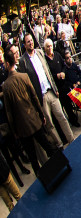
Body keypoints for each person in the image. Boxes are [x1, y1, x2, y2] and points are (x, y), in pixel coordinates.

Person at [2, 45, 59, 175]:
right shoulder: (24, 77)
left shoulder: (6, 87)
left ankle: (43, 180)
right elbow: (34, 98)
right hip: (34, 120)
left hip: (22, 129)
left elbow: (9, 113)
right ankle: (62, 165)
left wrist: (14, 131)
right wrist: (41, 114)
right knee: (48, 146)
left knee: (33, 158)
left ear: (6, 63)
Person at [17, 34, 75, 147]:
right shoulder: (23, 61)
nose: (30, 43)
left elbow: (47, 71)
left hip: (51, 91)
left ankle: (72, 139)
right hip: (40, 97)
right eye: (28, 42)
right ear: (24, 45)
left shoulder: (39, 52)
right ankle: (59, 145)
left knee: (62, 117)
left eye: (31, 40)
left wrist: (54, 88)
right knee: (50, 124)